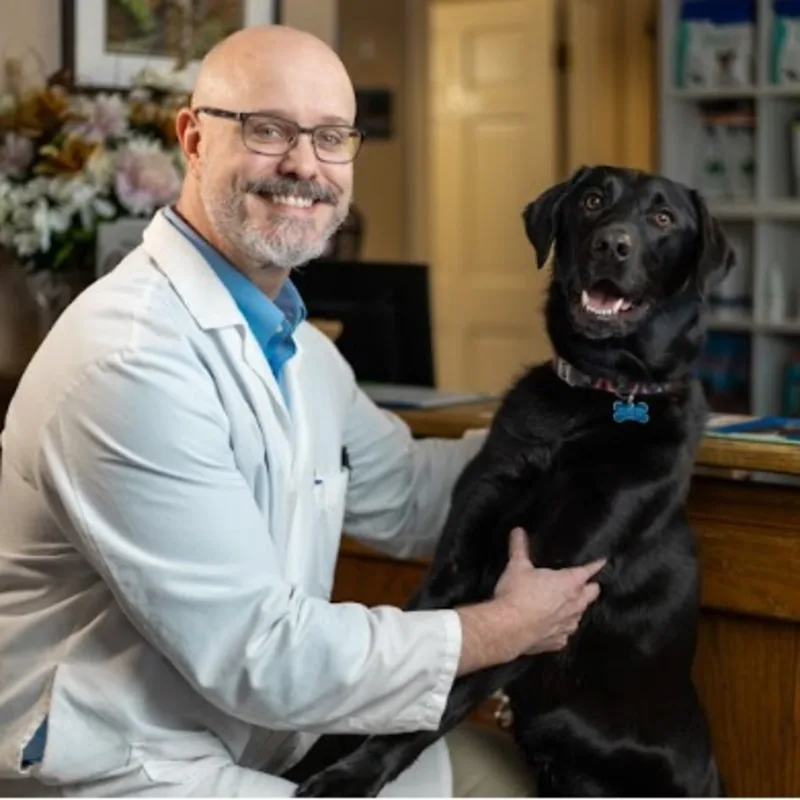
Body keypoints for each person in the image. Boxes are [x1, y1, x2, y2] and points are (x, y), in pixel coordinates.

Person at [0, 24, 605, 797]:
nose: (303, 165)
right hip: (116, 760)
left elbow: (410, 493)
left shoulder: (301, 349)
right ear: (192, 138)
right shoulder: (128, 359)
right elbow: (259, 653)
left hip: (252, 733)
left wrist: (584, 419)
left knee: (509, 781)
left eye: (330, 137)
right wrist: (503, 630)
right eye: (267, 129)